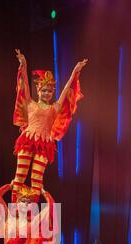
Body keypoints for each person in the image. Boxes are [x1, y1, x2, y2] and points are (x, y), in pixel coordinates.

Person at [12, 49, 87, 202]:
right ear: (38, 90)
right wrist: (23, 65)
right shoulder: (30, 103)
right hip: (28, 139)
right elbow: (24, 84)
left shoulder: (55, 108)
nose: (47, 93)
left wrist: (74, 72)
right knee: (20, 176)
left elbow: (67, 90)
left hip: (45, 144)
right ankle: (14, 211)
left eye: (50, 91)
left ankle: (30, 213)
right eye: (44, 90)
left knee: (36, 181)